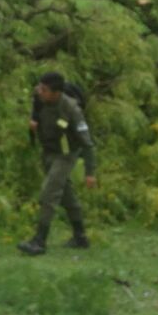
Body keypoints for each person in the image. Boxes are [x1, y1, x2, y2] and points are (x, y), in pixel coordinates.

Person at [18, 71, 97, 255]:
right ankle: (80, 236)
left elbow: (87, 143)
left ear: (57, 93)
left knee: (49, 192)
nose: (39, 92)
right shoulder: (40, 99)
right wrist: (33, 122)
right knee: (65, 194)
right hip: (49, 152)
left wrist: (90, 172)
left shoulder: (71, 110)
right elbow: (35, 115)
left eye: (44, 90)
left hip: (67, 154)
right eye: (40, 87)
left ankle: (39, 241)